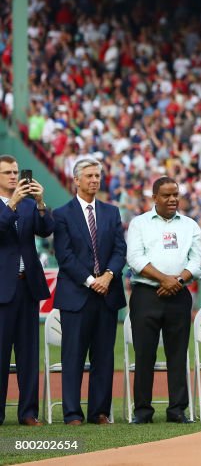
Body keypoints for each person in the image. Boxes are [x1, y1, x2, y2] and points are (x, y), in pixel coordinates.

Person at [52, 157, 126, 425]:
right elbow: (65, 255)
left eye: (97, 176)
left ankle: (99, 412)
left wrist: (107, 276)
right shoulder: (61, 214)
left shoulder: (111, 212)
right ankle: (72, 413)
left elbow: (120, 250)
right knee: (72, 357)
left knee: (104, 358)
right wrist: (89, 280)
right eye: (90, 176)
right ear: (76, 180)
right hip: (77, 295)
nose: (95, 180)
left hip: (107, 294)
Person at [125, 177, 201, 423]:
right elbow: (135, 259)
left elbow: (196, 262)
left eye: (175, 195)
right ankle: (143, 411)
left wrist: (177, 281)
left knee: (178, 355)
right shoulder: (140, 223)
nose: (172, 200)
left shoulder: (190, 225)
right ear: (154, 197)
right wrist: (164, 279)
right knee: (144, 354)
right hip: (146, 295)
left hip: (179, 295)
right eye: (167, 195)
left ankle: (177, 410)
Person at [0, 155, 54, 426]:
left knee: (28, 355)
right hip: (2, 290)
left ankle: (28, 413)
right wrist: (11, 204)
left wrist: (42, 202)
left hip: (28, 286)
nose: (13, 176)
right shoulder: (12, 205)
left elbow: (46, 230)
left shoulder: (30, 205)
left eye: (16, 171)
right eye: (7, 172)